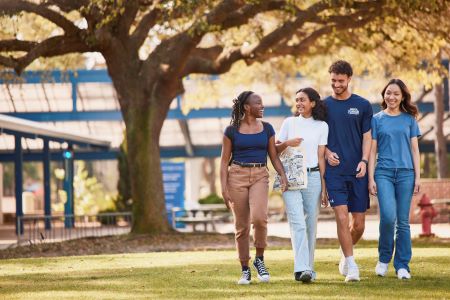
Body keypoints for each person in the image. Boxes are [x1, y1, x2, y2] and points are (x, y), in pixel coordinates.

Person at [220, 91, 288, 285]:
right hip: (237, 177)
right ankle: (244, 269)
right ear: (247, 107)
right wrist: (223, 188)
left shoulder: (267, 128)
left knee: (259, 218)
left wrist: (282, 175)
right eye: (259, 103)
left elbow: (273, 156)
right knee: (241, 226)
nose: (262, 106)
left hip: (260, 175)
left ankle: (260, 259)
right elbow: (224, 162)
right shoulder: (231, 130)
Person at [323, 60, 373, 282]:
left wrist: (364, 160)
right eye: (333, 80)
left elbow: (367, 137)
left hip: (357, 171)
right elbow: (316, 137)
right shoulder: (323, 107)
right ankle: (351, 265)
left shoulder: (363, 105)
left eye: (340, 81)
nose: (336, 84)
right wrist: (325, 153)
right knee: (342, 218)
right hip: (334, 173)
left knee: (359, 224)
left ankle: (345, 252)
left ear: (349, 79)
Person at [368, 79, 421, 280]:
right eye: (388, 93)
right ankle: (383, 260)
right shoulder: (376, 119)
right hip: (384, 173)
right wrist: (370, 178)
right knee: (388, 218)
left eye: (396, 94)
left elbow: (415, 150)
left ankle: (402, 265)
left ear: (402, 97)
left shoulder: (409, 120)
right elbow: (373, 150)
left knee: (403, 222)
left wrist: (418, 177)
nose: (391, 97)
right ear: (384, 95)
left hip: (406, 174)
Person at [276, 87, 329, 283]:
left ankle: (308, 268)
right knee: (297, 222)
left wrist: (324, 187)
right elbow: (275, 151)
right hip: (290, 177)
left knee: (310, 225)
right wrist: (287, 143)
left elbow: (321, 157)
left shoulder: (322, 126)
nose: (298, 103)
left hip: (313, 177)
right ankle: (302, 268)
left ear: (313, 103)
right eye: (296, 100)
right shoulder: (289, 123)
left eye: (302, 100)